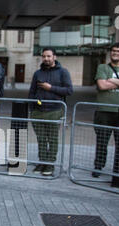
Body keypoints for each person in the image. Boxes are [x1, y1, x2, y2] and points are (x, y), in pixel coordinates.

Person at [92, 42, 119, 178]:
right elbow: (102, 85)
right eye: (113, 51)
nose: (115, 53)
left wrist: (111, 79)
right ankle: (98, 166)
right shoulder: (102, 67)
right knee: (101, 142)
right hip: (104, 110)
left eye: (118, 51)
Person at [28, 48, 73, 176]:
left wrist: (51, 88)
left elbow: (69, 90)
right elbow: (32, 91)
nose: (46, 59)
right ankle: (42, 162)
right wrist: (32, 109)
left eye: (48, 56)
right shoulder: (38, 73)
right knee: (41, 139)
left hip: (54, 111)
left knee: (52, 139)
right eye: (44, 56)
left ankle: (50, 164)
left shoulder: (63, 72)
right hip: (38, 111)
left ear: (54, 57)